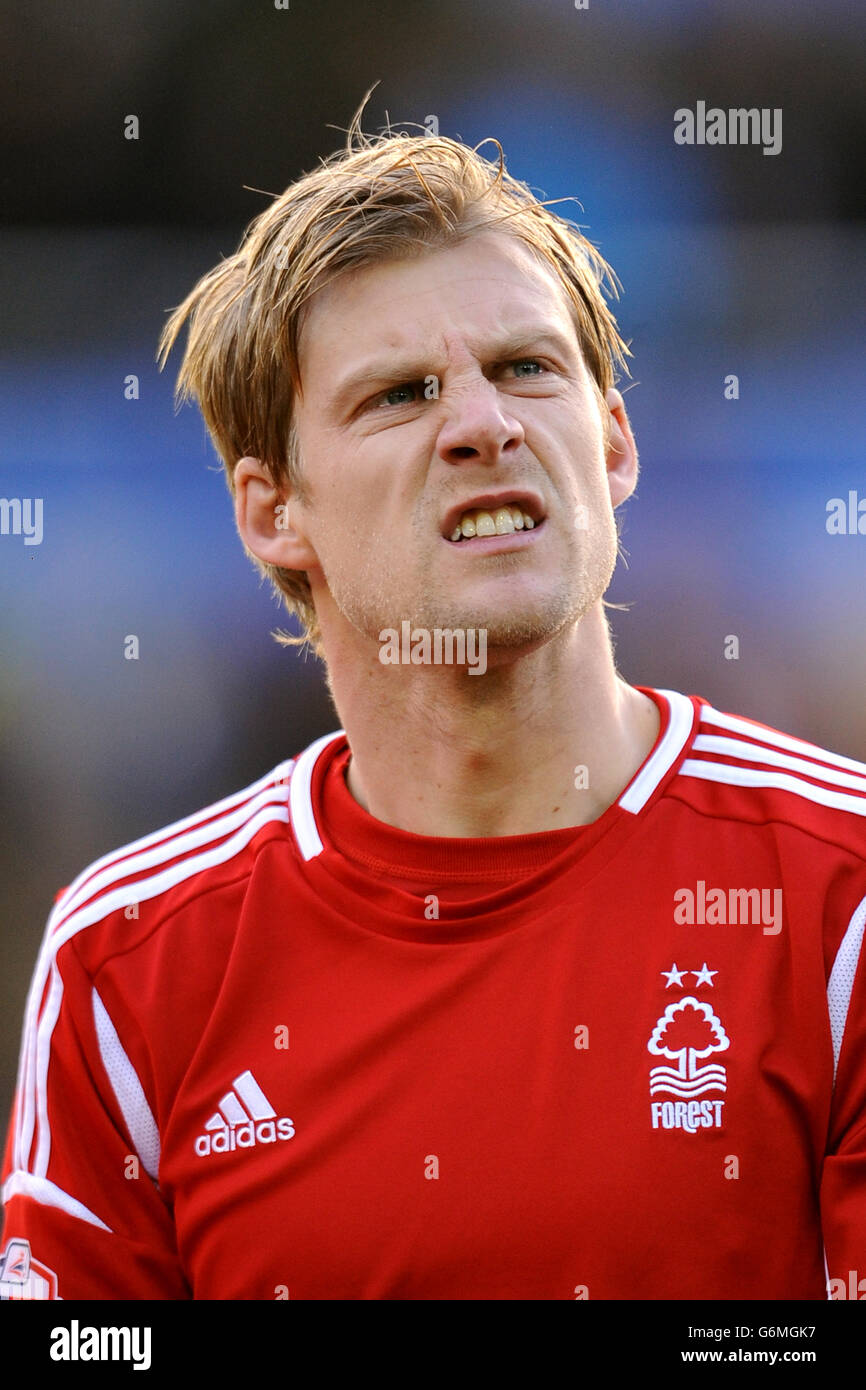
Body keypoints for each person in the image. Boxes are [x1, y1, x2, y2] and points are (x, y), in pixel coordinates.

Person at [2, 107, 865, 1302]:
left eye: (525, 368)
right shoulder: (130, 955)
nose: (483, 423)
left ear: (611, 442)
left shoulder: (838, 894)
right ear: (272, 510)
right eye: (401, 395)